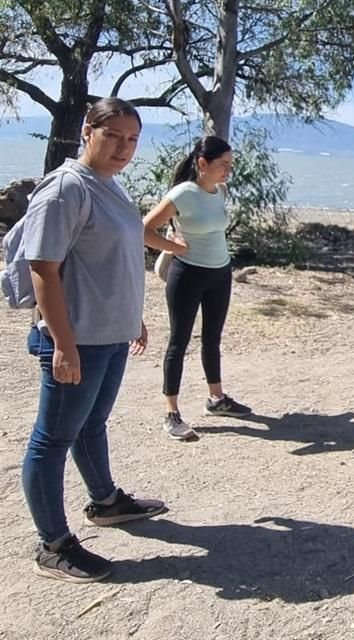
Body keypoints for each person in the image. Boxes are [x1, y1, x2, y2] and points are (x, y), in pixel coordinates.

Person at [19, 98, 167, 583]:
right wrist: (62, 343)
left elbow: (115, 259)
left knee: (92, 424)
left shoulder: (110, 185)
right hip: (76, 340)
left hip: (110, 335)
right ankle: (54, 545)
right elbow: (43, 268)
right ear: (88, 132)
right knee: (51, 439)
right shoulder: (66, 189)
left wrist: (133, 318)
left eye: (132, 139)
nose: (124, 148)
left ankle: (105, 502)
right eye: (113, 136)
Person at [143, 136, 252, 441]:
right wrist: (172, 247)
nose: (228, 170)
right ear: (202, 164)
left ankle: (216, 400)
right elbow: (143, 230)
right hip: (188, 274)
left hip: (220, 273)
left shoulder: (220, 191)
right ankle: (171, 413)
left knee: (212, 339)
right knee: (179, 342)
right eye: (223, 164)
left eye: (231, 164)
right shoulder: (183, 194)